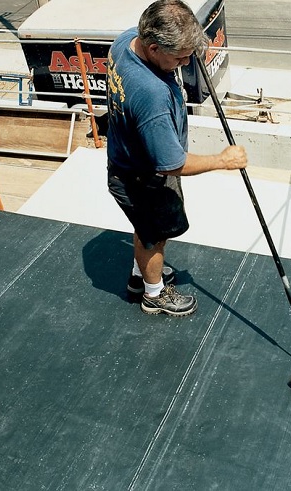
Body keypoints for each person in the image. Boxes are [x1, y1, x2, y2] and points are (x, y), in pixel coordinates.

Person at [106, 0, 248, 317]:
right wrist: (223, 161)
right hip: (143, 177)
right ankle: (154, 295)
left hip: (128, 161)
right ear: (154, 47)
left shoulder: (127, 39)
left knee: (146, 230)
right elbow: (172, 164)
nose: (186, 63)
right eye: (180, 57)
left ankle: (139, 276)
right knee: (153, 237)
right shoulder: (151, 95)